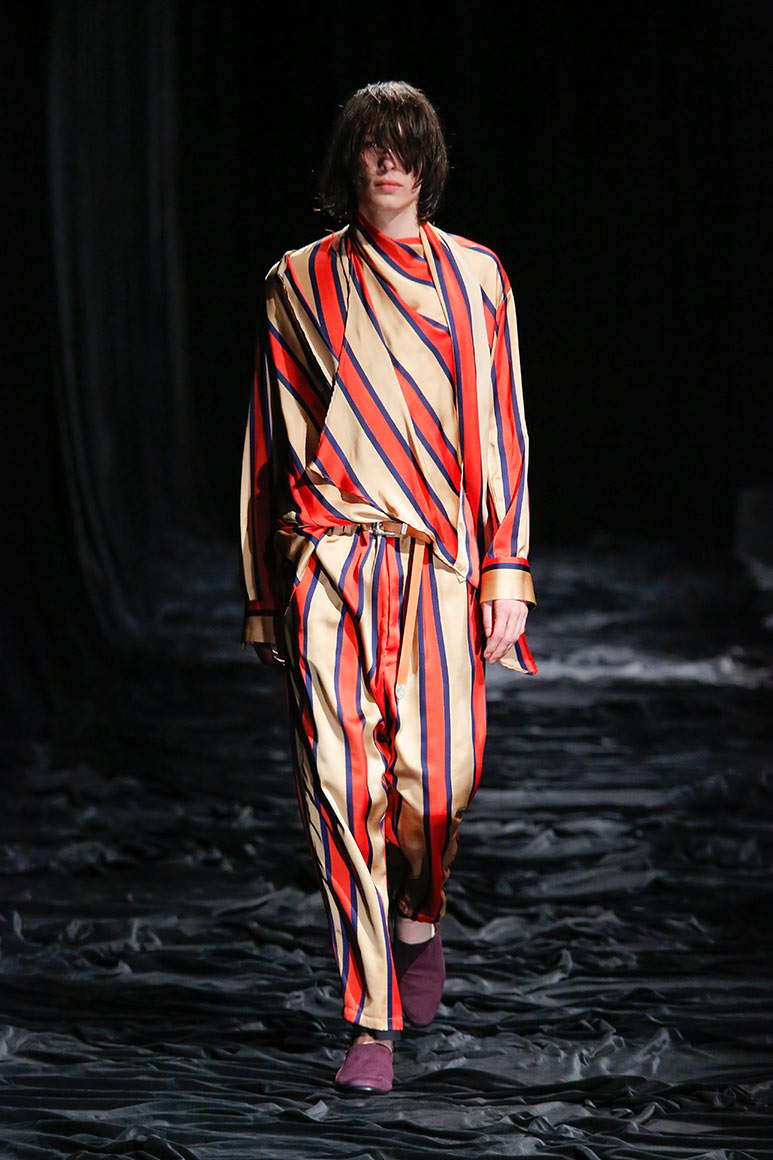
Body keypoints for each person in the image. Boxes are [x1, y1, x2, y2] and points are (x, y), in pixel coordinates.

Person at [240, 80, 536, 1093]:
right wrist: (264, 595)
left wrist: (506, 568)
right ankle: (368, 1018)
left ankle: (419, 915)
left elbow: (501, 431)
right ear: (349, 160)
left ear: (428, 160)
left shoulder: (476, 278)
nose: (387, 159)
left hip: (439, 565)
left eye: (405, 143)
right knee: (338, 785)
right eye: (370, 143)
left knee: (438, 783)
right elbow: (269, 443)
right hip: (328, 560)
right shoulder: (297, 281)